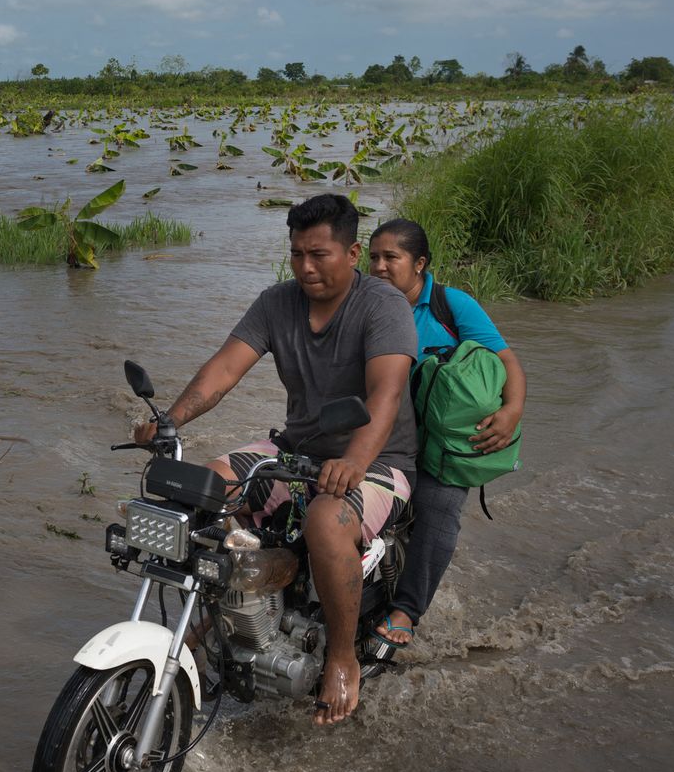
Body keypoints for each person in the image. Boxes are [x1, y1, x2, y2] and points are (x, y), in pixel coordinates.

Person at [133, 194, 418, 725]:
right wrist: (170, 420)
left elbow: (386, 393)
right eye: (296, 254)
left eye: (319, 254)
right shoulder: (276, 302)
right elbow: (223, 369)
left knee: (326, 519)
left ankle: (340, 656)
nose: (306, 267)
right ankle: (225, 616)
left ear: (353, 253)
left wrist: (355, 460)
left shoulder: (383, 306)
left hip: (379, 460)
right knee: (208, 484)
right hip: (296, 450)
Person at [366, 218, 527, 646]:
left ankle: (406, 610)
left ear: (419, 264)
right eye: (373, 257)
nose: (379, 266)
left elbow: (506, 360)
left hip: (439, 442)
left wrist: (512, 410)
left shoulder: (451, 306)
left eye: (390, 258)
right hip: (380, 433)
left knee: (438, 509)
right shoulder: (361, 303)